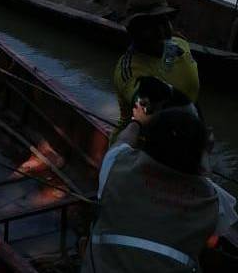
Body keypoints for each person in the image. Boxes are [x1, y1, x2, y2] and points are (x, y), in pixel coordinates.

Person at [81, 107, 237, 272]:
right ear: (201, 153)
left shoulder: (117, 163)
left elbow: (123, 140)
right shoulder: (214, 199)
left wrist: (137, 121)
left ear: (147, 142)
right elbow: (211, 241)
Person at [113, 0, 200, 133]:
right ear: (134, 30)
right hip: (140, 149)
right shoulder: (129, 71)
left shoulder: (179, 45)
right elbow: (149, 108)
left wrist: (201, 129)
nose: (162, 31)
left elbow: (189, 92)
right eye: (150, 25)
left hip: (187, 142)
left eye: (165, 21)